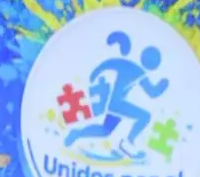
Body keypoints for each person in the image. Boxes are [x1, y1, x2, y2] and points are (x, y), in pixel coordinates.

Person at [63, 31, 169, 159]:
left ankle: (78, 133)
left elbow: (109, 63)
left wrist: (95, 73)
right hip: (119, 104)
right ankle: (128, 143)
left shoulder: (130, 67)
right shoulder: (137, 71)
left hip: (115, 104)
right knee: (144, 116)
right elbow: (152, 92)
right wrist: (162, 85)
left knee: (105, 130)